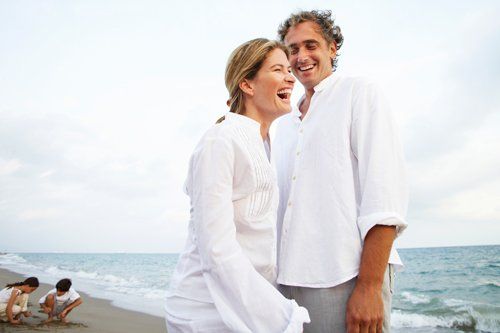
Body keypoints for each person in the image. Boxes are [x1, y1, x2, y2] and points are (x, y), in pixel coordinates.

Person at [273, 10, 409, 333]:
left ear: (332, 48)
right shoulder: (286, 124)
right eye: (292, 49)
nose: (301, 56)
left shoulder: (359, 93)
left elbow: (384, 197)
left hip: (347, 279)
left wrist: (369, 287)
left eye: (311, 45)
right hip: (287, 285)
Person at [165, 38, 310, 333]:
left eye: (288, 70)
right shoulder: (220, 140)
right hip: (206, 312)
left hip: (245, 309)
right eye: (277, 70)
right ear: (247, 84)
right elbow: (216, 249)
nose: (289, 76)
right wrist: (281, 317)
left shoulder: (266, 144)